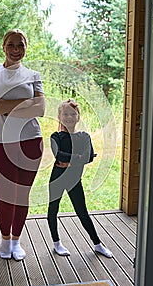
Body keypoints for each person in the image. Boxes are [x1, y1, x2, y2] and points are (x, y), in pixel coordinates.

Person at [0, 29, 45, 260]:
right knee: (5, 195)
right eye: (11, 45)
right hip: (2, 142)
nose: (16, 50)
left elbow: (40, 109)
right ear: (3, 47)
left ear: (26, 47)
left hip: (31, 141)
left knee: (22, 195)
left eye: (21, 45)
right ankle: (4, 241)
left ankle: (16, 241)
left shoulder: (33, 75)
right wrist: (25, 102)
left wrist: (5, 104)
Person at [47, 99, 113, 258]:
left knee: (82, 212)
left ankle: (97, 244)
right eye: (65, 114)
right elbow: (58, 154)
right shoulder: (56, 136)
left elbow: (88, 157)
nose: (69, 117)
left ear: (78, 117)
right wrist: (78, 158)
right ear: (59, 116)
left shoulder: (84, 136)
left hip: (74, 180)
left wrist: (68, 162)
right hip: (57, 179)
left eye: (72, 114)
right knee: (53, 210)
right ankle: (57, 243)